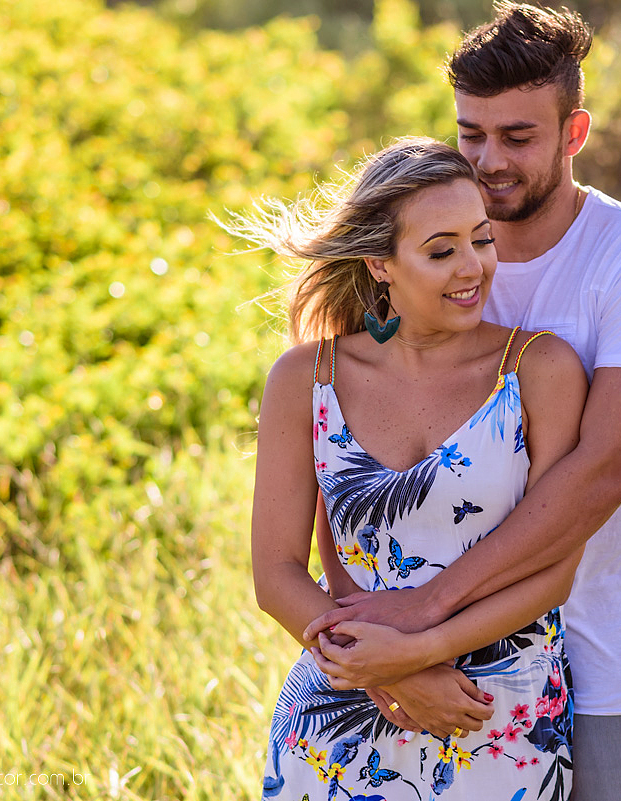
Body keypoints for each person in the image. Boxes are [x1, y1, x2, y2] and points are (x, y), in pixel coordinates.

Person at [308, 5, 621, 800]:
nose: (489, 161)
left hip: (605, 648)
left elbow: (606, 470)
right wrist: (388, 652)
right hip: (437, 665)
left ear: (574, 133)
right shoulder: (414, 254)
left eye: (518, 137)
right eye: (471, 135)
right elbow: (341, 467)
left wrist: (425, 613)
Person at [225, 137, 588, 800]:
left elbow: (555, 570)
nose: (472, 267)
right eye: (441, 251)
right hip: (339, 720)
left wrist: (420, 653)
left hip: (498, 718)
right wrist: (391, 676)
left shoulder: (539, 369)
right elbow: (276, 575)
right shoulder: (306, 377)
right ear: (380, 263)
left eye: (482, 239)